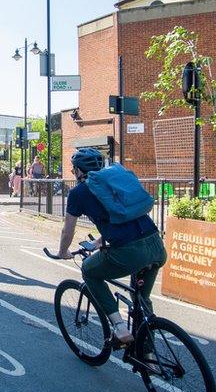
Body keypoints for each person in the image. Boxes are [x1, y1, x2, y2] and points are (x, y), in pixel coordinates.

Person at [54, 148, 166, 345]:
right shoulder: (113, 181)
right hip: (156, 244)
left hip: (129, 251)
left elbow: (67, 231)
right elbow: (121, 217)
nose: (73, 173)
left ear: (78, 171)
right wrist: (97, 242)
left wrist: (63, 251)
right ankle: (147, 354)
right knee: (142, 299)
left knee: (89, 271)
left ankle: (119, 327)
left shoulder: (78, 192)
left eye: (73, 170)